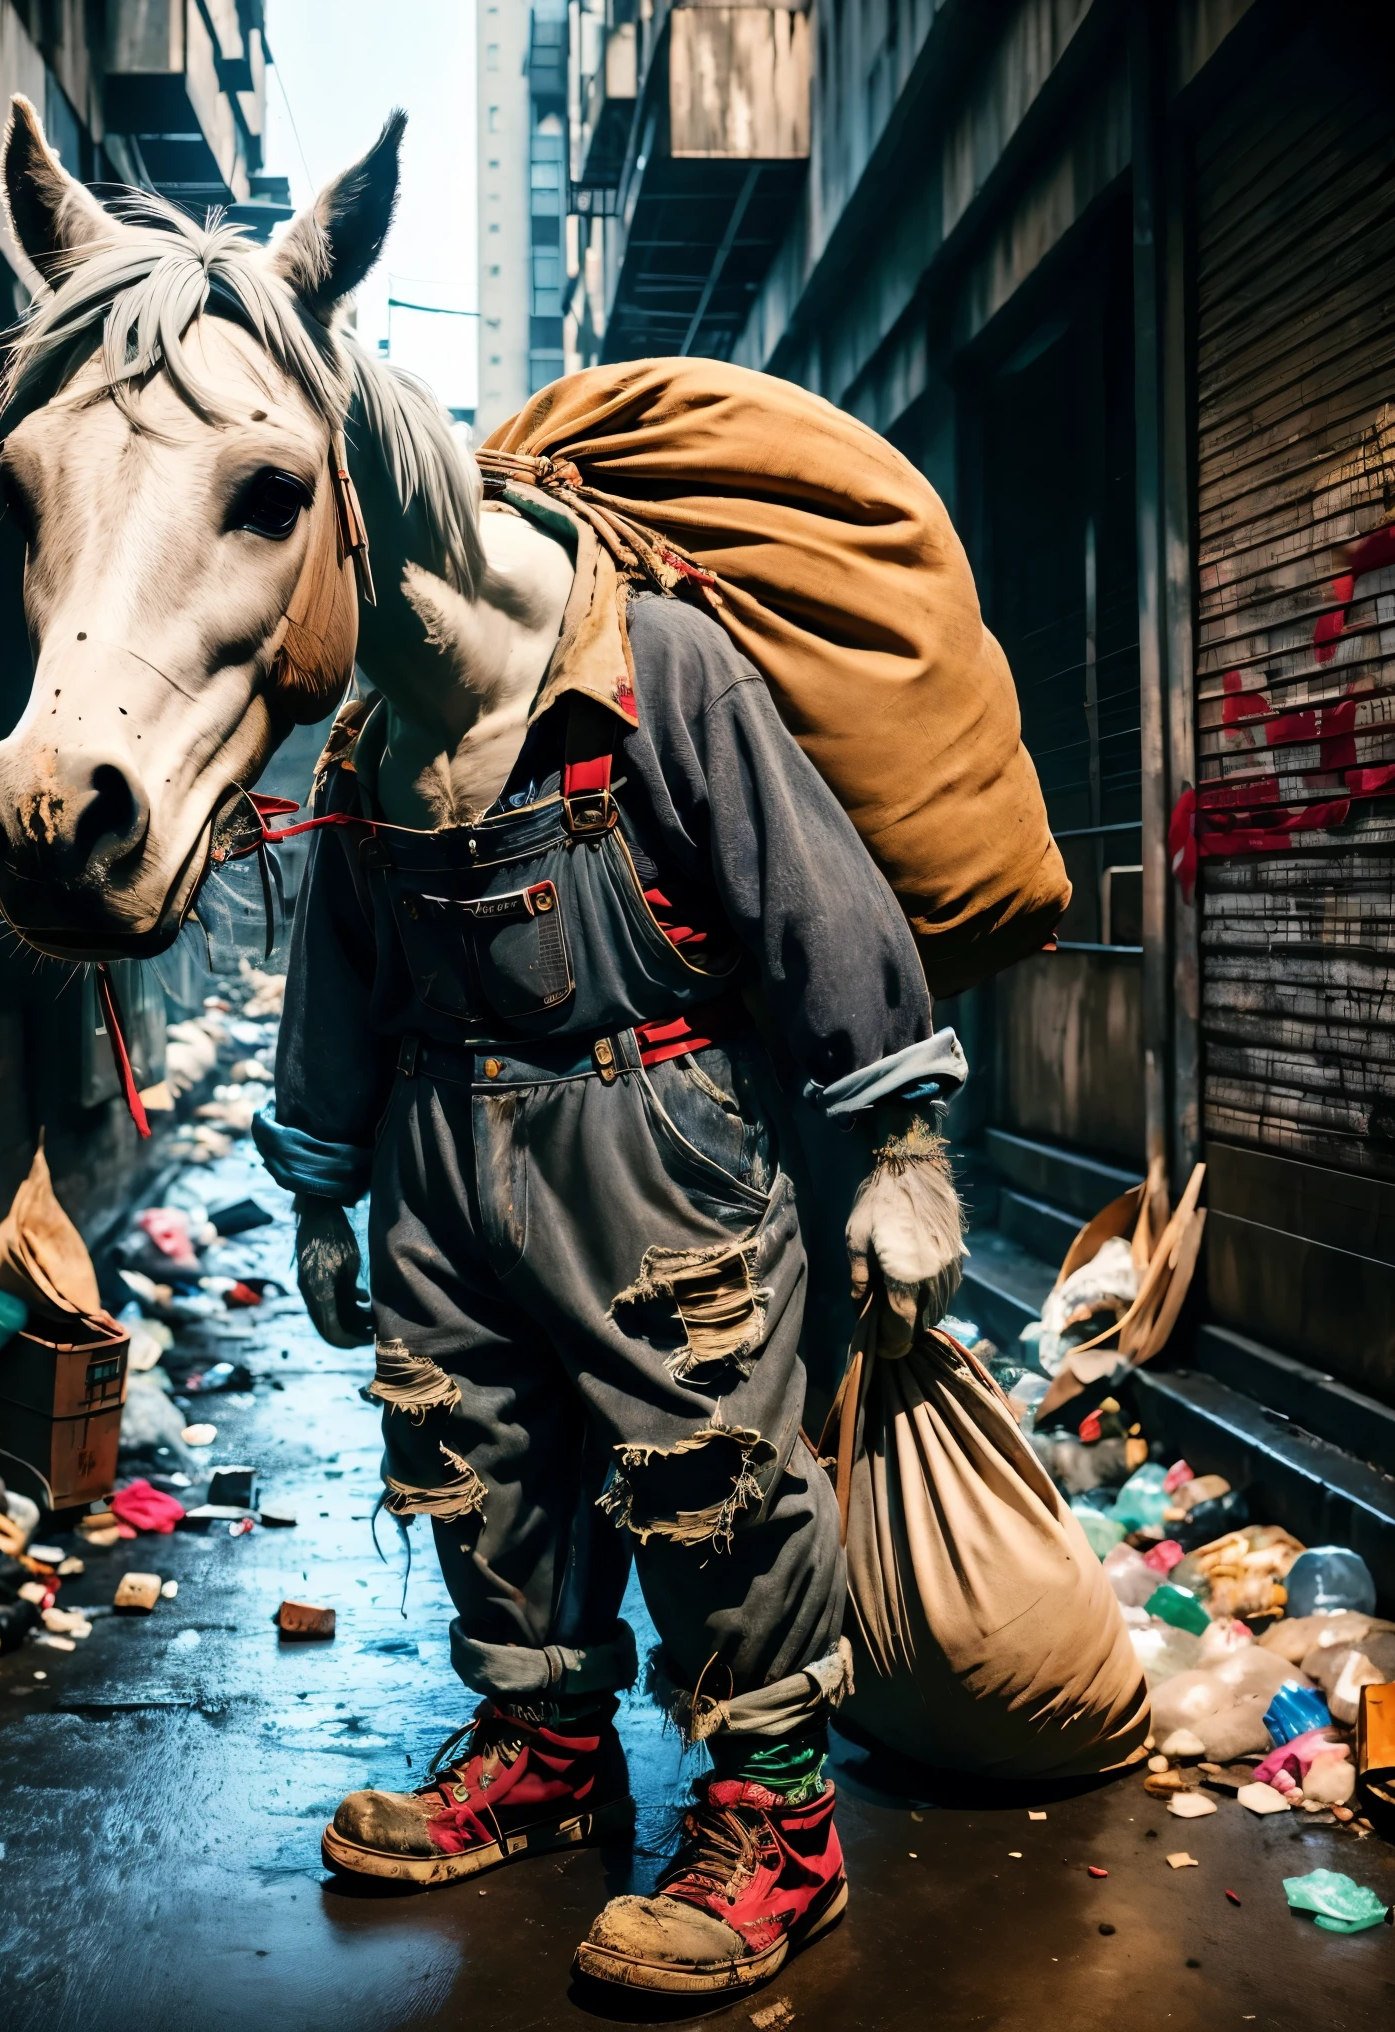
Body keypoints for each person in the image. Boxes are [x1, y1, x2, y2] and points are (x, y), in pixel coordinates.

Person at [254, 476, 967, 1996]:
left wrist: (901, 1147)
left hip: (656, 1126)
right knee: (474, 1456)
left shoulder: (661, 670)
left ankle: (776, 1821)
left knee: (710, 1471)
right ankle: (545, 1754)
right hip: (435, 1150)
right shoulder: (376, 736)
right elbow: (337, 964)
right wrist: (321, 1186)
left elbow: (814, 901)